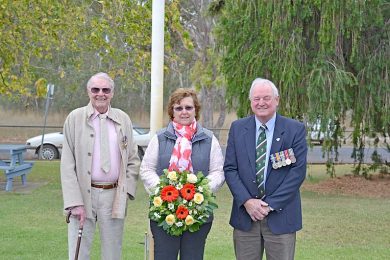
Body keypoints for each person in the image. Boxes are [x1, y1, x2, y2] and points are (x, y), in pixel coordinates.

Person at [224, 78, 307, 260]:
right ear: (251, 102)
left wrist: (269, 205)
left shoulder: (295, 129)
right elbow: (230, 169)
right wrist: (247, 201)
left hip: (280, 216)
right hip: (245, 218)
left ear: (276, 100)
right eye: (256, 98)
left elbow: (297, 172)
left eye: (266, 98)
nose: (261, 103)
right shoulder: (238, 128)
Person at [60, 72, 140, 260]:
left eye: (106, 90)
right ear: (88, 91)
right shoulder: (75, 118)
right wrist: (74, 202)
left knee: (112, 252)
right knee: (78, 252)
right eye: (95, 89)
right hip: (83, 194)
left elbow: (133, 159)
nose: (100, 94)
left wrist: (125, 192)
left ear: (112, 93)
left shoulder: (123, 119)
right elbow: (67, 164)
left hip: (113, 196)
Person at [140, 88, 225, 260]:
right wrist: (166, 192)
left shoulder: (209, 139)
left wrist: (197, 191)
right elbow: (146, 169)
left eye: (188, 107)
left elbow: (218, 172)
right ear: (172, 111)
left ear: (196, 110)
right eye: (179, 108)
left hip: (198, 213)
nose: (184, 112)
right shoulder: (159, 138)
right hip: (165, 214)